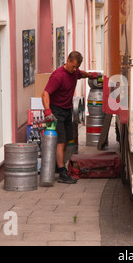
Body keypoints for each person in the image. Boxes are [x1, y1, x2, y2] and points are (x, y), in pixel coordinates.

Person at [42, 51, 100, 184]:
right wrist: (47, 111)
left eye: (76, 67)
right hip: (56, 111)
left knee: (68, 139)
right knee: (61, 141)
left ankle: (57, 165)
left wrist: (92, 75)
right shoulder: (58, 76)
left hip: (67, 110)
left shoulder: (75, 72)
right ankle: (62, 172)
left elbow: (82, 74)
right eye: (73, 66)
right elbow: (45, 93)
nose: (74, 69)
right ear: (67, 60)